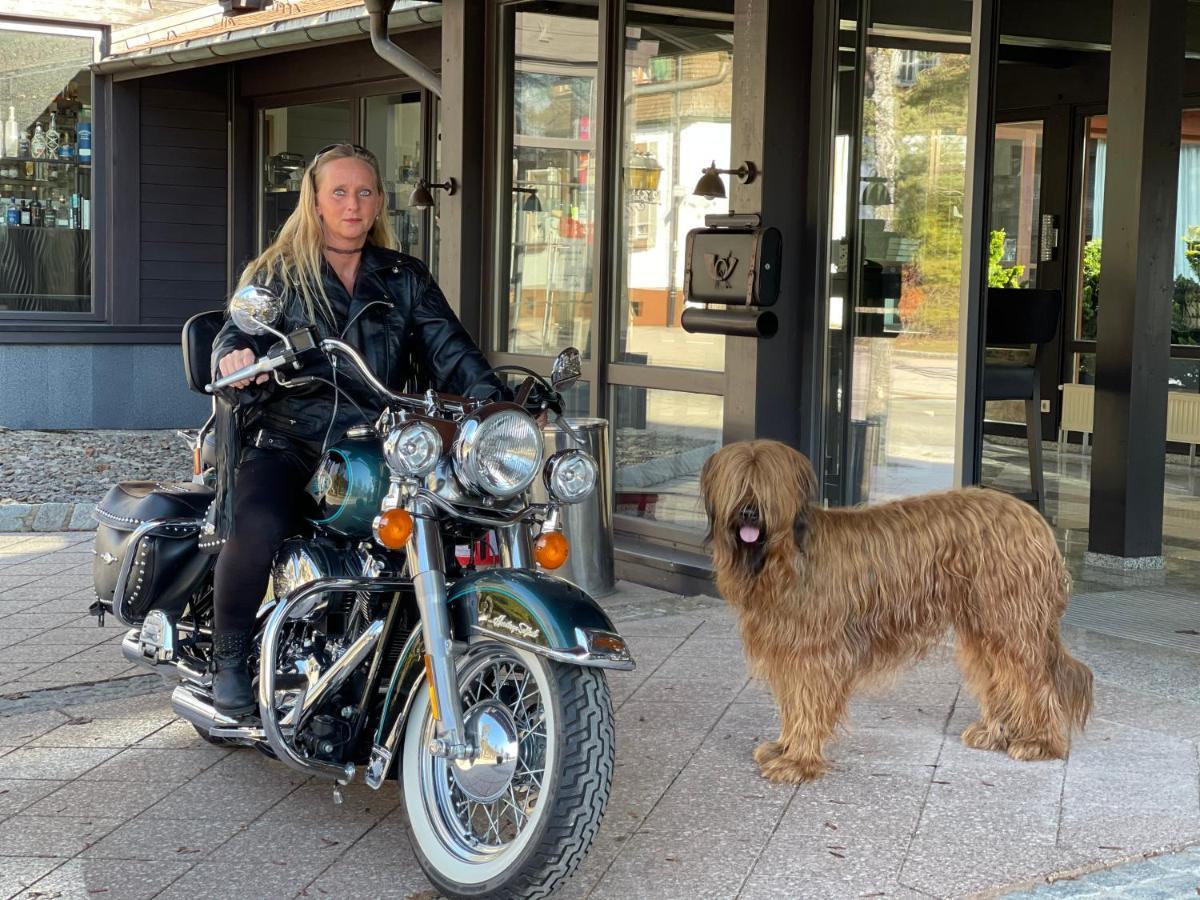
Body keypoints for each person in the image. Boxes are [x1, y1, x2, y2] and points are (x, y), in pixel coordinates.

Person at [209, 143, 507, 716]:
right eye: (339, 192)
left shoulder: (403, 277)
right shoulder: (278, 273)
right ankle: (229, 660)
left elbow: (452, 351)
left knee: (447, 521)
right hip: (292, 437)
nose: (353, 204)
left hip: (381, 442)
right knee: (260, 525)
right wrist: (233, 355)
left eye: (364, 192)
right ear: (316, 202)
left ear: (378, 204)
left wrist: (496, 402)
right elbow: (235, 330)